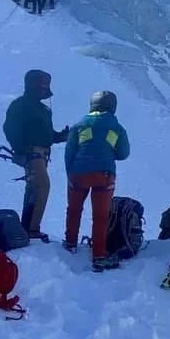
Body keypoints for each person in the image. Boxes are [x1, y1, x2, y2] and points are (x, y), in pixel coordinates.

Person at [63, 90, 131, 271]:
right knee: (101, 216)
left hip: (79, 174)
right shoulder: (116, 128)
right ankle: (99, 256)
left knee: (74, 209)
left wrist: (71, 173)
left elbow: (69, 151)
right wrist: (108, 153)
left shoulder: (80, 125)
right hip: (105, 174)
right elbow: (123, 153)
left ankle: (70, 243)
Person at [3, 69, 68, 241]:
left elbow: (46, 135)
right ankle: (32, 230)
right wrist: (20, 149)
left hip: (39, 154)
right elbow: (10, 128)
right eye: (42, 85)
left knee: (34, 188)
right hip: (32, 153)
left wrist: (61, 136)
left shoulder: (41, 109)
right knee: (42, 186)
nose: (44, 89)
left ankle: (28, 227)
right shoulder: (21, 105)